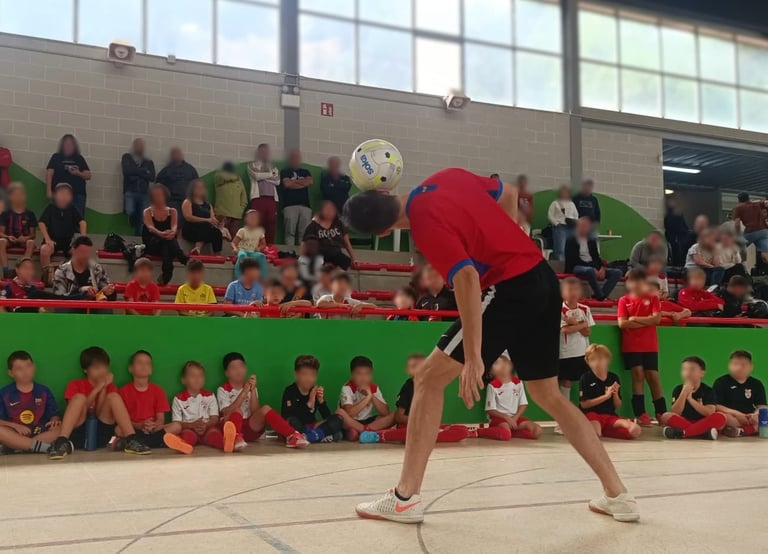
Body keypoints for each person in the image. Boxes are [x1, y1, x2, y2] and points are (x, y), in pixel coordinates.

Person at [344, 168, 636, 523]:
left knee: (427, 379)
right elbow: (510, 193)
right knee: (548, 395)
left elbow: (466, 278)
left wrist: (472, 358)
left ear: (386, 231)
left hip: (509, 289)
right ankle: (617, 495)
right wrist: (506, 242)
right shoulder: (447, 176)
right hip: (542, 278)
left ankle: (404, 498)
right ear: (389, 194)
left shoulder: (425, 228)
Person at [47, 347, 151, 459]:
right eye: (97, 368)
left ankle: (131, 439)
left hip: (101, 432)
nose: (102, 371)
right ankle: (62, 442)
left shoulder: (111, 387)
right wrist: (98, 387)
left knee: (114, 397)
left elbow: (98, 413)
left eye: (105, 367)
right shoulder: (75, 384)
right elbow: (82, 410)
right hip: (79, 430)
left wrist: (104, 388)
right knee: (79, 398)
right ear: (86, 370)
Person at [218, 352, 308, 449]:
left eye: (241, 366)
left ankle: (292, 436)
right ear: (226, 373)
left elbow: (255, 412)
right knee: (237, 410)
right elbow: (226, 412)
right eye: (233, 368)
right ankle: (235, 438)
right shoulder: (223, 389)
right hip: (231, 428)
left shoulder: (251, 387)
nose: (238, 371)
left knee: (265, 408)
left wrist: (252, 391)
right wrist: (243, 393)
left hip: (249, 428)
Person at [376, 353, 469, 444]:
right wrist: (418, 420)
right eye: (414, 366)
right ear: (408, 370)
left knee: (463, 430)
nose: (419, 370)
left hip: (427, 427)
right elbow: (399, 417)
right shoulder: (408, 387)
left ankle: (433, 435)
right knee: (414, 434)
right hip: (409, 426)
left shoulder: (432, 386)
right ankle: (381, 435)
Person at [118, 350, 192, 453]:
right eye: (139, 363)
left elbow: (160, 419)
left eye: (147, 363)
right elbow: (123, 419)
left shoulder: (158, 391)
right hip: (134, 429)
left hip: (153, 430)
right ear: (131, 368)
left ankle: (138, 443)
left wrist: (153, 426)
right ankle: (159, 442)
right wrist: (140, 425)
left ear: (151, 369)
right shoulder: (123, 391)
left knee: (176, 426)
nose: (143, 366)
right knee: (118, 429)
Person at [617, 269, 664, 426]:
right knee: (637, 375)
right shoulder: (624, 300)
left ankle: (661, 412)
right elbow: (622, 323)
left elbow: (656, 319)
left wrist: (635, 319)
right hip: (631, 344)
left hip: (650, 344)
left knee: (653, 376)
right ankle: (640, 413)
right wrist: (647, 320)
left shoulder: (653, 298)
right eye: (632, 281)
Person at [0, 351, 59, 454]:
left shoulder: (44, 391)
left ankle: (18, 446)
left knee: (61, 428)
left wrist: (55, 419)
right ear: (11, 373)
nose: (25, 371)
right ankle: (44, 448)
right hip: (15, 433)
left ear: (34, 367)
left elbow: (54, 415)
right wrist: (16, 426)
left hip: (39, 432)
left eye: (28, 366)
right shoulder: (5, 393)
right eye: (19, 368)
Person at [579, 345, 642, 440]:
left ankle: (609, 430)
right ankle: (599, 430)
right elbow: (584, 404)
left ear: (608, 360)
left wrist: (615, 394)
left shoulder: (613, 378)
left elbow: (617, 405)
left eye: (600, 358)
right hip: (592, 414)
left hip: (609, 415)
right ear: (587, 362)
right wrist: (606, 396)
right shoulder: (586, 378)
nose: (597, 362)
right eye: (592, 359)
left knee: (635, 430)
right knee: (595, 433)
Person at [281, 354, 345, 443]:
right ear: (296, 374)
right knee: (291, 421)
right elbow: (287, 416)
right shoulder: (290, 391)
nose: (309, 378)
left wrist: (321, 401)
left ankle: (309, 437)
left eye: (313, 375)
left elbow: (327, 416)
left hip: (313, 426)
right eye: (304, 374)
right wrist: (309, 404)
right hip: (299, 426)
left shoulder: (314, 390)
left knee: (338, 419)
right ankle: (320, 435)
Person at [478, 353, 543, 440]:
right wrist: (507, 418)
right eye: (497, 363)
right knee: (505, 435)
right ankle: (480, 432)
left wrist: (515, 418)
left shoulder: (518, 383)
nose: (504, 365)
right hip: (499, 419)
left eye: (505, 362)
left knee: (537, 431)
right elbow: (491, 410)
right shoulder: (493, 385)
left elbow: (523, 404)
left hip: (515, 418)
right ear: (492, 370)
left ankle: (512, 431)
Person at [659, 356, 726, 440]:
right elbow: (676, 412)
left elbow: (709, 412)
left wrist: (690, 399)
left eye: (692, 370)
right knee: (665, 416)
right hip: (684, 421)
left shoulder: (708, 390)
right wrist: (684, 393)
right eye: (684, 370)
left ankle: (683, 433)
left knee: (721, 417)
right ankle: (703, 433)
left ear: (702, 373)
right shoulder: (678, 389)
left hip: (703, 422)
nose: (688, 373)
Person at [169, 361, 229, 452]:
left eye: (200, 376)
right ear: (184, 380)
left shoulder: (210, 395)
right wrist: (192, 425)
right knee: (187, 436)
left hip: (207, 428)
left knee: (214, 434)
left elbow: (214, 418)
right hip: (189, 429)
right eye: (193, 376)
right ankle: (183, 446)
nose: (197, 379)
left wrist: (206, 425)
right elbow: (177, 423)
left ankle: (227, 444)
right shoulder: (178, 399)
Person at [558, 278, 594, 422]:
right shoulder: (560, 309)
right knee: (566, 382)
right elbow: (565, 330)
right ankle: (564, 419)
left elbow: (587, 332)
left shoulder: (585, 309)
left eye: (575, 290)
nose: (573, 293)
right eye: (569, 290)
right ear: (563, 293)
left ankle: (585, 416)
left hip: (583, 352)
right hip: (566, 353)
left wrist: (575, 324)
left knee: (585, 382)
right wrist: (580, 324)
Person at [337, 356, 395, 443]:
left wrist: (371, 395)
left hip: (369, 422)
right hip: (352, 422)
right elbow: (350, 413)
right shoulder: (347, 388)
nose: (363, 378)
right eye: (359, 374)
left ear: (371, 375)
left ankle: (363, 432)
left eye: (367, 374)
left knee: (393, 415)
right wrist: (367, 398)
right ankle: (368, 433)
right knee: (340, 413)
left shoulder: (374, 387)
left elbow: (385, 412)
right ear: (352, 375)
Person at [565, 217, 621, 301]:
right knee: (589, 270)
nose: (584, 228)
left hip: (591, 265)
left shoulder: (591, 240)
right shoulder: (571, 240)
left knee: (617, 272)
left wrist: (601, 267)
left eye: (586, 226)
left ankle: (600, 295)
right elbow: (573, 259)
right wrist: (593, 268)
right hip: (577, 266)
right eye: (582, 226)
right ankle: (601, 296)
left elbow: (596, 257)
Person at [39, 183, 86, 281]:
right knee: (44, 250)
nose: (64, 197)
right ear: (55, 195)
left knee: (81, 252)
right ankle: (47, 278)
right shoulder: (50, 208)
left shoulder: (72, 208)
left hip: (67, 242)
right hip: (52, 241)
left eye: (67, 194)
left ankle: (74, 279)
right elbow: (42, 223)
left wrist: (83, 239)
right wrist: (47, 239)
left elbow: (82, 222)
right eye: (61, 194)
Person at [714, 350, 767, 437]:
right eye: (735, 364)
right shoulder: (721, 382)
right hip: (732, 416)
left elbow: (762, 405)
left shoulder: (757, 384)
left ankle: (742, 431)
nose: (739, 367)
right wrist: (737, 414)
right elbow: (716, 405)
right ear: (729, 365)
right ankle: (752, 429)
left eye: (743, 365)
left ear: (751, 367)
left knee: (763, 416)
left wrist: (755, 414)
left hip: (749, 417)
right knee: (722, 417)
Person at [142, 183, 188, 285]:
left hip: (167, 243)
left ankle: (167, 273)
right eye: (155, 195)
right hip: (152, 243)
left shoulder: (172, 211)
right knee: (167, 241)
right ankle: (183, 258)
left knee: (167, 244)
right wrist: (161, 233)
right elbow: (150, 228)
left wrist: (171, 233)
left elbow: (174, 227)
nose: (158, 198)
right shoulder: (148, 211)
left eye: (160, 195)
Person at [53, 236, 115, 303]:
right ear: (73, 251)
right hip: (70, 310)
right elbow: (59, 298)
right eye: (82, 252)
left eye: (88, 253)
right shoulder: (62, 271)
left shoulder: (97, 269)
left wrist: (108, 291)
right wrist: (80, 291)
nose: (86, 256)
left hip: (94, 308)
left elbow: (105, 289)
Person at [46, 134, 90, 217]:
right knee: (57, 218)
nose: (68, 146)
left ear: (74, 146)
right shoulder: (56, 157)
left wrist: (78, 173)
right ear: (62, 145)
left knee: (77, 219)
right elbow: (49, 173)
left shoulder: (79, 158)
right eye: (66, 144)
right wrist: (49, 191)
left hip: (77, 194)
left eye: (71, 144)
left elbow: (88, 175)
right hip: (59, 194)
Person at [302, 200, 356, 269]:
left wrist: (353, 259)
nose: (329, 212)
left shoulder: (339, 224)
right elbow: (304, 243)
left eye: (331, 209)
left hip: (336, 253)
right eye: (327, 209)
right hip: (320, 253)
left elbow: (347, 243)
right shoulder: (313, 226)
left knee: (346, 262)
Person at [247, 143, 280, 244]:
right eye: (262, 151)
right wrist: (271, 175)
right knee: (257, 224)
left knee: (271, 224)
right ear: (259, 152)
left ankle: (269, 247)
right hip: (258, 198)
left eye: (266, 152)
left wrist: (263, 175)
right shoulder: (252, 165)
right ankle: (254, 246)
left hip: (271, 199)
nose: (264, 154)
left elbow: (277, 181)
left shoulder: (273, 166)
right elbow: (256, 176)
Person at [0, 182, 36, 276]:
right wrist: (8, 237)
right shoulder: (5, 213)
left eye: (20, 194)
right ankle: (6, 271)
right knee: (1, 241)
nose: (18, 196)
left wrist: (25, 238)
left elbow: (33, 235)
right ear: (10, 196)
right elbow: (1, 233)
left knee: (31, 243)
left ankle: (22, 270)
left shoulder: (30, 214)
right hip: (10, 240)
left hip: (23, 240)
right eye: (15, 194)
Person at [279, 148, 314, 246]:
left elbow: (310, 182)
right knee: (289, 232)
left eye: (297, 157)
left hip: (305, 206)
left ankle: (302, 256)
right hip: (289, 206)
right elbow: (287, 184)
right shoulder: (285, 171)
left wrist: (293, 182)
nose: (295, 159)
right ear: (290, 159)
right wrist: (303, 183)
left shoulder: (305, 171)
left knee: (304, 234)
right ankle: (290, 254)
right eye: (293, 157)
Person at [121, 138, 155, 236]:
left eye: (141, 145)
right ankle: (134, 224)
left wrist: (135, 172)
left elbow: (152, 177)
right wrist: (144, 171)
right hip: (130, 191)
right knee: (130, 212)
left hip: (144, 193)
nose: (139, 147)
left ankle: (138, 236)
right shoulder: (127, 157)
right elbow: (126, 172)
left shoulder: (148, 161)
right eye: (137, 145)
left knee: (142, 217)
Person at [182, 179, 223, 255]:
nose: (200, 190)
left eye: (202, 187)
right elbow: (188, 217)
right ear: (192, 189)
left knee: (217, 232)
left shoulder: (208, 205)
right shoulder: (188, 201)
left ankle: (217, 254)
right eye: (198, 187)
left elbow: (212, 219)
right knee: (205, 224)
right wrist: (207, 220)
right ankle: (197, 248)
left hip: (205, 229)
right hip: (191, 229)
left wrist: (218, 223)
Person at [156, 147, 198, 217]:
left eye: (178, 153)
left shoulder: (190, 169)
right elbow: (158, 185)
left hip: (187, 201)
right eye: (174, 154)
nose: (177, 155)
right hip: (172, 202)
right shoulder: (166, 170)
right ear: (171, 156)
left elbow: (197, 184)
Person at [732, 192, 768, 266]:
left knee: (738, 247)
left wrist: (737, 234)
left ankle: (740, 267)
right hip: (763, 231)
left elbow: (737, 223)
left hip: (751, 231)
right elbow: (766, 202)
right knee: (765, 251)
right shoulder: (757, 204)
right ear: (748, 198)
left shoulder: (739, 207)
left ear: (739, 200)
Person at [214, 161, 248, 239]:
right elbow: (225, 177)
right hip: (222, 214)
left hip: (236, 216)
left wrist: (240, 210)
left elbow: (244, 198)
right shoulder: (218, 176)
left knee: (233, 240)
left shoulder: (239, 180)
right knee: (220, 239)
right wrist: (236, 177)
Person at [232, 209, 268, 279]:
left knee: (262, 256)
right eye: (251, 218)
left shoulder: (260, 231)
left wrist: (259, 248)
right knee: (242, 255)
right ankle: (239, 277)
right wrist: (235, 249)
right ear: (246, 219)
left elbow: (264, 244)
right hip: (242, 250)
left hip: (253, 252)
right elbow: (234, 242)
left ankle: (262, 278)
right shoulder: (242, 230)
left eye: (255, 218)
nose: (253, 220)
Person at [547, 184, 579, 261]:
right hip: (560, 227)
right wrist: (556, 224)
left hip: (571, 228)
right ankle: (560, 267)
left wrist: (573, 222)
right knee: (560, 249)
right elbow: (550, 215)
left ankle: (568, 267)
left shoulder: (571, 204)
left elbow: (576, 215)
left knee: (570, 248)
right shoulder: (555, 203)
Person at [664, 197, 690, 267]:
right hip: (673, 237)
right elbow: (669, 226)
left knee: (680, 252)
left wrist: (687, 231)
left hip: (679, 237)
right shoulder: (669, 215)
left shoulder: (679, 214)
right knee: (675, 252)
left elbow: (684, 225)